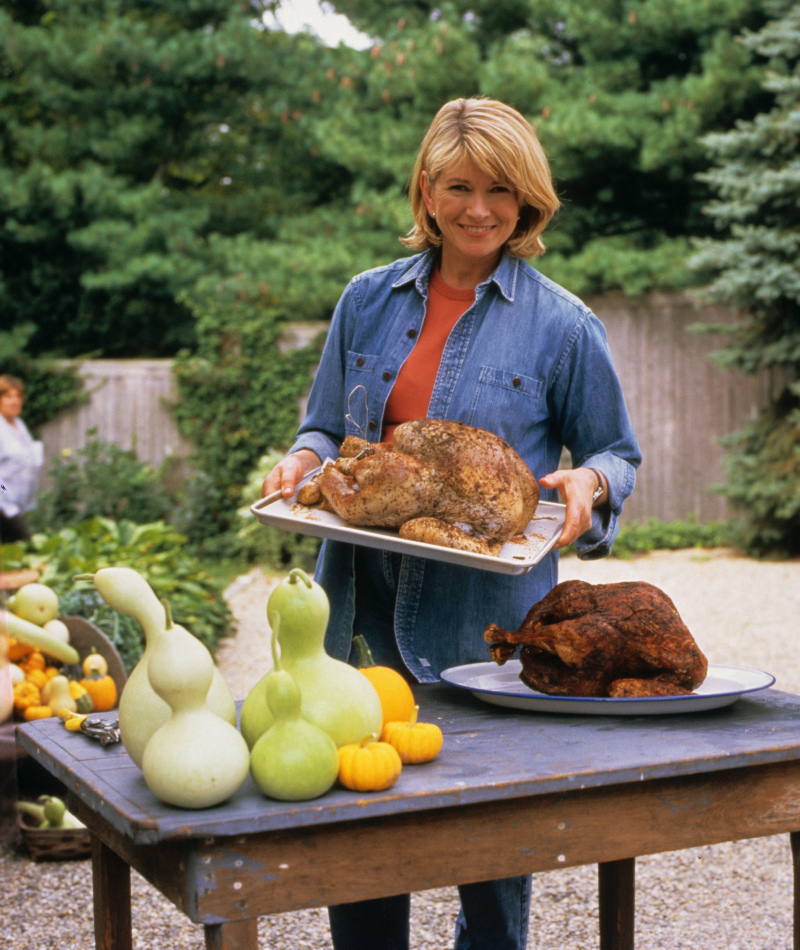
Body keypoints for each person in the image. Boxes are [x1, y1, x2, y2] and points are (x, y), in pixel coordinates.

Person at [261, 97, 641, 950]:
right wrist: (300, 463)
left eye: (500, 189)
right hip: (356, 625)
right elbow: (325, 429)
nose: (480, 209)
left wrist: (589, 482)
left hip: (486, 632)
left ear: (529, 200)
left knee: (494, 865)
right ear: (426, 193)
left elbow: (618, 452)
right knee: (364, 853)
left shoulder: (564, 326)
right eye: (459, 186)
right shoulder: (365, 302)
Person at [0, 375, 44, 544]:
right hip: (4, 506)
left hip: (18, 505)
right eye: (8, 397)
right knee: (27, 544)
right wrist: (4, 494)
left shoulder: (20, 426)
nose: (15, 401)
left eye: (17, 396)